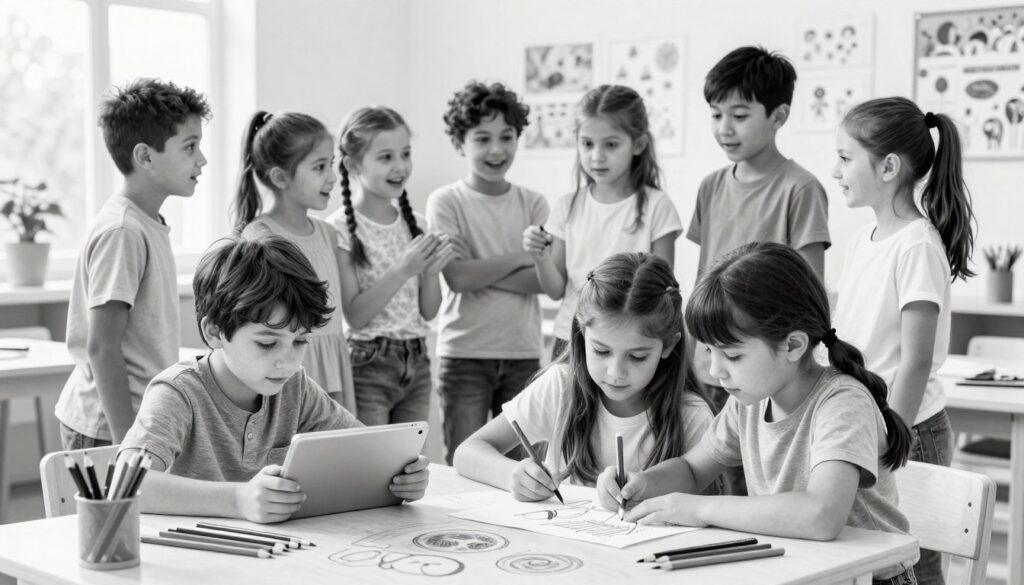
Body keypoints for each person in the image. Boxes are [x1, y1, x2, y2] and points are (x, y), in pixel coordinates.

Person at [118, 236, 429, 523]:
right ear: (214, 332)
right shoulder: (177, 392)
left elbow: (368, 450)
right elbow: (126, 484)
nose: (288, 362)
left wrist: (401, 476)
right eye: (267, 343)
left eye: (300, 341)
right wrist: (238, 500)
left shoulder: (294, 386)